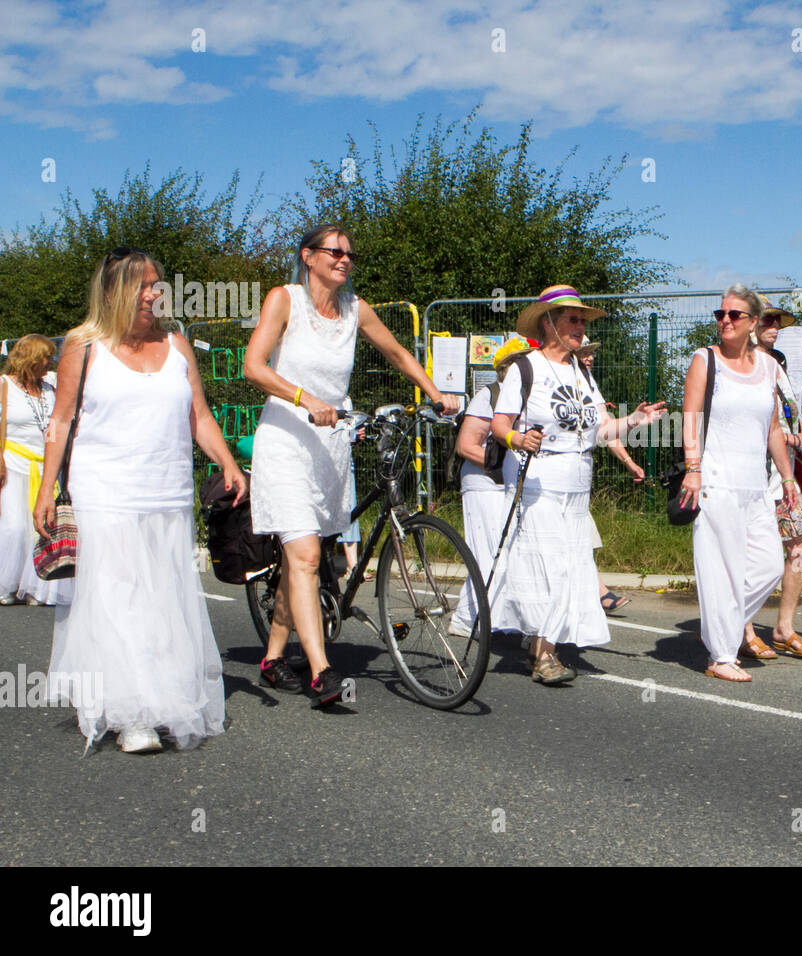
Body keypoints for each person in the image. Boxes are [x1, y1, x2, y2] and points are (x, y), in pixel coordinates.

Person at [34, 247, 245, 753]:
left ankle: (165, 698)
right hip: (104, 491)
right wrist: (45, 489)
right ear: (114, 291)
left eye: (158, 283)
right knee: (120, 598)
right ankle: (131, 714)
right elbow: (60, 421)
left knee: (163, 598)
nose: (155, 293)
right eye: (145, 284)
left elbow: (199, 414)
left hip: (167, 491)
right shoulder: (83, 347)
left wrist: (228, 461)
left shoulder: (176, 341)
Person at [243, 224, 459, 707]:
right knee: (306, 558)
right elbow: (253, 366)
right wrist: (305, 398)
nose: (344, 259)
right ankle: (322, 673)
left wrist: (433, 393)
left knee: (305, 558)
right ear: (308, 256)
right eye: (334, 252)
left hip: (331, 446)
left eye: (349, 254)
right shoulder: (285, 299)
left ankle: (273, 658)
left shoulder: (355, 309)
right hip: (286, 441)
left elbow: (398, 352)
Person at [489, 285, 665, 685]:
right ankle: (545, 656)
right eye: (573, 319)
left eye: (583, 320)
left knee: (569, 568)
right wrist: (518, 439)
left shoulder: (583, 372)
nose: (580, 328)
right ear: (548, 323)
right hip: (538, 482)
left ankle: (538, 640)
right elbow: (500, 425)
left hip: (576, 485)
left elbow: (602, 430)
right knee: (547, 565)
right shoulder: (524, 368)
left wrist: (635, 420)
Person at [678, 284, 800, 682]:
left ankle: (718, 625)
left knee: (767, 565)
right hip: (715, 480)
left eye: (734, 315)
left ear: (752, 322)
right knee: (721, 568)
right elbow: (690, 418)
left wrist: (786, 477)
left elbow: (772, 428)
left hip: (756, 484)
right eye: (720, 314)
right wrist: (692, 469)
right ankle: (721, 656)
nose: (725, 321)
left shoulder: (768, 367)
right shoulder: (704, 360)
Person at [738, 296, 802, 660]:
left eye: (777, 321)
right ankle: (740, 627)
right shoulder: (742, 368)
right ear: (752, 323)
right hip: (754, 478)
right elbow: (751, 429)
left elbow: (790, 415)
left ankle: (783, 627)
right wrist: (795, 439)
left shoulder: (777, 364)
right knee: (750, 557)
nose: (774, 327)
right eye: (767, 321)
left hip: (783, 477)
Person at [450, 336, 534, 635]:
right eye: (523, 360)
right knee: (486, 554)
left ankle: (472, 618)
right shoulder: (489, 396)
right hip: (483, 483)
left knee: (510, 553)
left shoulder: (532, 396)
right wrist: (501, 466)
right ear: (508, 367)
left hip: (512, 484)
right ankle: (479, 621)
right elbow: (466, 445)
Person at [1, 335, 72, 607]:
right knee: (13, 526)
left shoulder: (51, 385)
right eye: (45, 356)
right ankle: (6, 583)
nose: (49, 361)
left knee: (41, 529)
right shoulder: (4, 385)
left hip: (46, 466)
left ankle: (37, 588)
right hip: (13, 463)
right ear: (30, 358)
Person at [576, 337, 641, 612]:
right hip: (547, 470)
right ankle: (598, 593)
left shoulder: (589, 381)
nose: (590, 357)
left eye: (591, 352)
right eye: (584, 352)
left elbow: (606, 429)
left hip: (578, 471)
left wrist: (629, 462)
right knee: (579, 537)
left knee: (580, 537)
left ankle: (595, 594)